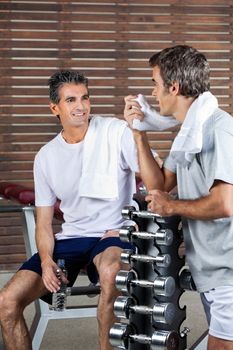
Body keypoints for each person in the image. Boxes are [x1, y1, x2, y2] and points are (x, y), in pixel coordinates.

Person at [0, 70, 163, 350]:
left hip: (113, 233)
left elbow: (154, 177)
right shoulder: (46, 157)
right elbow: (43, 222)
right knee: (7, 301)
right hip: (72, 238)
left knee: (112, 273)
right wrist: (47, 260)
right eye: (71, 100)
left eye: (85, 98)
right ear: (55, 108)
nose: (81, 106)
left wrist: (133, 221)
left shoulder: (114, 131)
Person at [124, 45, 233, 350]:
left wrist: (171, 205)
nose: (153, 93)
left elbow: (226, 202)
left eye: (155, 84)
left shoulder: (219, 130)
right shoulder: (190, 132)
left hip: (229, 271)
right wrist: (139, 134)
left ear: (174, 87)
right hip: (212, 269)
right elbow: (160, 183)